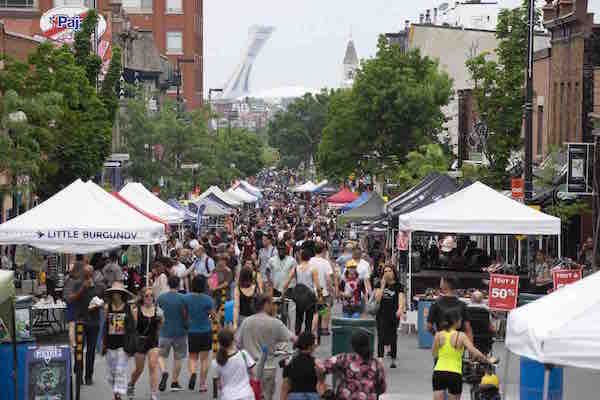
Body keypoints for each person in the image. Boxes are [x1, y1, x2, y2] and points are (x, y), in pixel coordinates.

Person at [235, 295, 296, 400]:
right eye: (272, 304)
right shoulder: (275, 323)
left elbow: (237, 344)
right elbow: (293, 338)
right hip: (268, 368)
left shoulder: (246, 322)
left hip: (250, 370)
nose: (274, 307)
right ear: (266, 305)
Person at [432, 309, 495, 400]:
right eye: (460, 320)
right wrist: (486, 360)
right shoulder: (461, 336)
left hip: (439, 372)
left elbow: (434, 353)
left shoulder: (439, 334)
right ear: (455, 321)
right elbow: (473, 351)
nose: (461, 322)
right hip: (455, 373)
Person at [321, 330, 386, 400]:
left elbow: (322, 367)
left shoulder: (344, 359)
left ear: (352, 346)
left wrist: (321, 384)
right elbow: (382, 388)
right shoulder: (377, 365)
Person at [103, 282, 136, 400]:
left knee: (120, 369)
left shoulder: (129, 308)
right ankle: (116, 392)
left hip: (123, 343)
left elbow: (133, 326)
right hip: (110, 342)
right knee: (111, 373)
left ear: (122, 294)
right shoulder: (108, 307)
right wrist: (103, 343)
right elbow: (105, 325)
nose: (115, 295)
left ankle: (118, 394)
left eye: (118, 292)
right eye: (113, 292)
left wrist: (132, 342)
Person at [128, 287, 163, 400]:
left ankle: (153, 393)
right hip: (140, 341)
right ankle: (131, 384)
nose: (149, 298)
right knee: (139, 369)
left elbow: (161, 326)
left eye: (151, 295)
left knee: (153, 366)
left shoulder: (158, 310)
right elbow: (133, 328)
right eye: (146, 296)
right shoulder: (136, 310)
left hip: (153, 341)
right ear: (142, 298)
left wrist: (161, 318)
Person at [184, 275, 215, 392]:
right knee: (204, 359)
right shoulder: (208, 299)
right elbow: (213, 315)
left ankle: (193, 373)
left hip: (192, 331)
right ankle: (202, 384)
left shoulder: (186, 298)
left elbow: (185, 314)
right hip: (205, 330)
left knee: (192, 357)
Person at [157, 275, 188, 392]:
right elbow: (186, 315)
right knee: (178, 357)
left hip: (164, 331)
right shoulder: (183, 298)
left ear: (168, 284)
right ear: (179, 284)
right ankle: (174, 382)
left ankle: (164, 371)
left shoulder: (161, 298)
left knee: (160, 355)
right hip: (180, 332)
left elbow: (158, 314)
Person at [283, 248, 321, 335]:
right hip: (310, 297)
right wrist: (320, 296)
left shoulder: (296, 268)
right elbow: (317, 286)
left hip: (299, 297)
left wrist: (284, 292)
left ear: (301, 257)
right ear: (309, 258)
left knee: (298, 318)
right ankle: (307, 339)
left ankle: (297, 336)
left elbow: (286, 282)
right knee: (309, 319)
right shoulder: (313, 269)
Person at [375, 264, 405, 368]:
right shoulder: (379, 283)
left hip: (393, 314)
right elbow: (377, 299)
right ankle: (380, 358)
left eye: (389, 271)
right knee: (381, 336)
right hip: (381, 313)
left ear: (394, 273)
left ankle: (393, 358)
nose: (387, 273)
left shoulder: (398, 285)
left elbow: (401, 298)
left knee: (393, 337)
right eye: (385, 271)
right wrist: (383, 285)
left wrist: (400, 309)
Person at [213, 328, 256, 400]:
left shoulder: (216, 362)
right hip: (246, 395)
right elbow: (253, 374)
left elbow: (219, 385)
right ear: (233, 341)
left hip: (228, 396)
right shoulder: (243, 354)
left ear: (219, 343)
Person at [427, 277, 473, 341]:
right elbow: (468, 328)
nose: (440, 283)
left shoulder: (435, 304)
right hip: (457, 342)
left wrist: (437, 335)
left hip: (442, 341)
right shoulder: (462, 305)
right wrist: (470, 346)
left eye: (441, 280)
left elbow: (429, 327)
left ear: (445, 284)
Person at [281, 332, 321, 400]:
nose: (316, 345)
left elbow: (285, 385)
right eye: (314, 343)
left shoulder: (289, 362)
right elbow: (320, 384)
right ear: (310, 346)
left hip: (294, 396)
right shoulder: (317, 363)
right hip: (312, 395)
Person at [310, 242, 335, 335]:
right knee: (323, 309)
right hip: (323, 291)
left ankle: (313, 329)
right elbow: (328, 278)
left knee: (315, 311)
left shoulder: (310, 261)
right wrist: (331, 289)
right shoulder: (325, 262)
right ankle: (322, 328)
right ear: (324, 251)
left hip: (312, 291)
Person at [467, 291, 496, 356]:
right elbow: (491, 327)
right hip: (484, 339)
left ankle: (471, 357)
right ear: (482, 300)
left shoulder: (466, 309)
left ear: (471, 299)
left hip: (469, 338)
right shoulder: (487, 310)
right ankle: (484, 358)